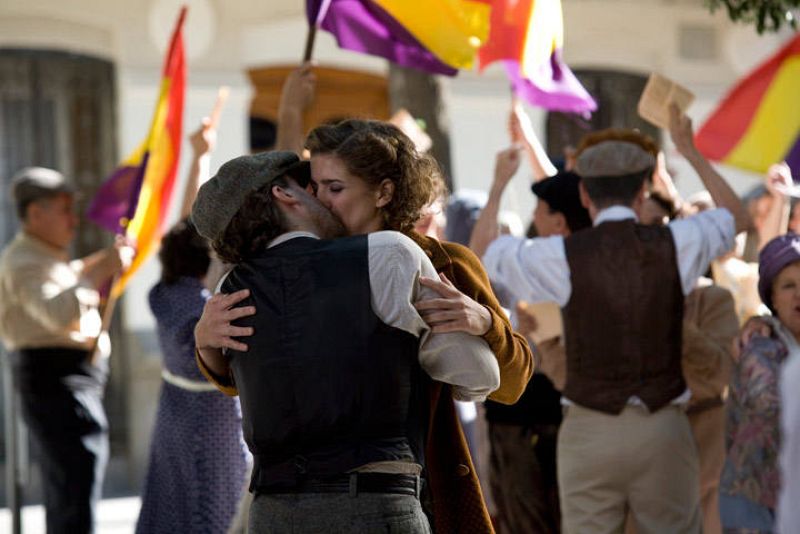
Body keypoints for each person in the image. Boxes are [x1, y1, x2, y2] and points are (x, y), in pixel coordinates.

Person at [196, 118, 533, 533]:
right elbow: (255, 383)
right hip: (319, 489)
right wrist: (205, 342)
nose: (321, 200)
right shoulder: (288, 268)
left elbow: (510, 384)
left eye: (334, 188)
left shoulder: (445, 262)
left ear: (383, 192)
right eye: (315, 188)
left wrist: (486, 324)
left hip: (426, 481)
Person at [473, 105, 749, 533]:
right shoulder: (675, 242)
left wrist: (497, 185)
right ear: (642, 193)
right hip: (662, 426)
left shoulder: (562, 255)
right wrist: (690, 152)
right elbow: (739, 217)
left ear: (585, 196)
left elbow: (483, 255)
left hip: (589, 427)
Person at [0, 167, 131, 533]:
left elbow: (66, 280)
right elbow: (57, 311)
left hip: (68, 378)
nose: (73, 221)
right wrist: (100, 270)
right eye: (64, 210)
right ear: (36, 214)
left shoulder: (44, 256)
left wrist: (99, 263)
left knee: (74, 481)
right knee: (74, 480)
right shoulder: (23, 260)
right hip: (55, 377)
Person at [135, 122, 248, 533]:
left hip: (173, 411)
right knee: (216, 502)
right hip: (213, 417)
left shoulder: (163, 292)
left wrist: (200, 156)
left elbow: (187, 226)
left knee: (173, 501)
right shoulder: (206, 306)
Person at [479, 149, 592, 534]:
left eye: (540, 209)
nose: (533, 216)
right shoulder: (606, 257)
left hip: (525, 412)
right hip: (575, 413)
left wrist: (497, 186)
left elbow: (477, 256)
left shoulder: (531, 258)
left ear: (558, 222)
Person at [719, 233, 800, 533]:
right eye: (788, 286)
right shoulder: (760, 348)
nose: (799, 295)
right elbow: (771, 408)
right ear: (773, 299)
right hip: (755, 506)